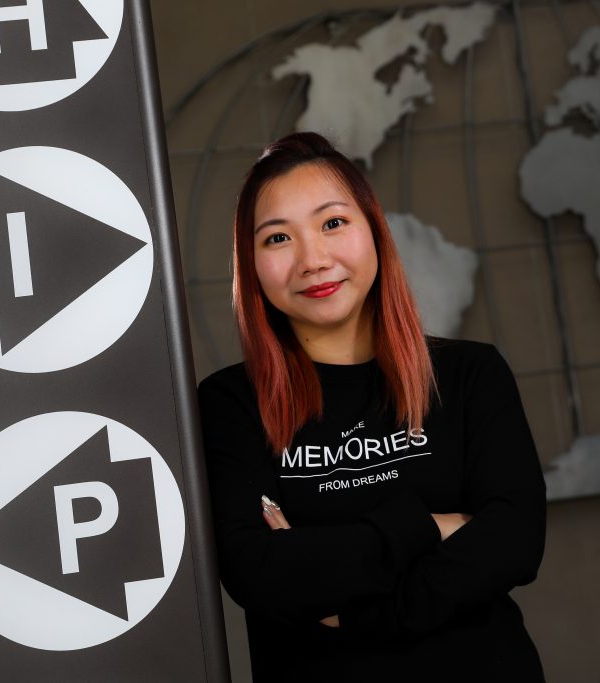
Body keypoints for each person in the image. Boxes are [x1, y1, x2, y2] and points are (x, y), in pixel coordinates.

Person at [197, 131, 547, 682]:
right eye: (277, 239)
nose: (313, 260)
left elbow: (515, 542)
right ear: (251, 264)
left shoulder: (468, 375)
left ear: (373, 232)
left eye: (333, 223)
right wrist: (434, 525)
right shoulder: (229, 405)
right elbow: (260, 576)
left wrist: (349, 607)